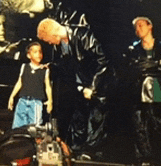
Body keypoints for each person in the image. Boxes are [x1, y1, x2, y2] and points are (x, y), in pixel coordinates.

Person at [37, 18, 115, 157]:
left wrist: (93, 87)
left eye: (48, 40)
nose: (49, 43)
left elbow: (103, 62)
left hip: (98, 86)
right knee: (78, 121)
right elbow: (67, 64)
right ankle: (75, 151)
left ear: (54, 35)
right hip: (80, 87)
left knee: (96, 121)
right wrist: (51, 66)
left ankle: (91, 153)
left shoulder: (84, 35)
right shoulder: (60, 44)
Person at [121, 16, 161, 165]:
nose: (138, 29)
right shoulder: (133, 49)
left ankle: (160, 157)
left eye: (141, 25)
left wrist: (149, 66)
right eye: (136, 27)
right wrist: (155, 65)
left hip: (157, 89)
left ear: (150, 26)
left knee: (158, 123)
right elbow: (132, 69)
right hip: (137, 90)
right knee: (140, 125)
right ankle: (145, 159)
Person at [8, 42, 53, 128]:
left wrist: (50, 101)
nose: (38, 54)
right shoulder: (24, 67)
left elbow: (48, 86)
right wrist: (12, 96)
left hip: (36, 102)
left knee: (34, 127)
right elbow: (19, 82)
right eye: (35, 52)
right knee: (18, 126)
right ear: (29, 55)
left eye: (40, 52)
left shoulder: (44, 70)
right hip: (23, 100)